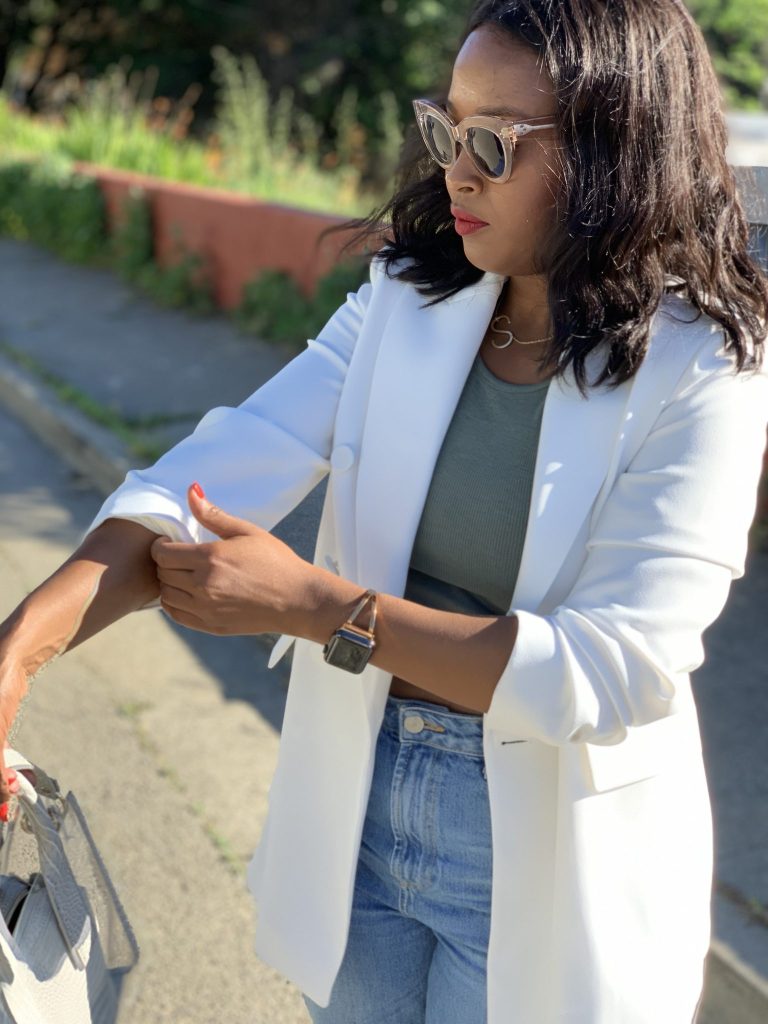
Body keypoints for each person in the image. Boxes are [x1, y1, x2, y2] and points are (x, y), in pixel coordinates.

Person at [1, 0, 767, 1020]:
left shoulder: (707, 365)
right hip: (363, 801)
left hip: (543, 849)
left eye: (495, 141)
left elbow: (611, 667)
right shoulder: (410, 303)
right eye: (448, 128)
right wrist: (15, 660)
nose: (458, 169)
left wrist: (318, 607)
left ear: (613, 147)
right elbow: (208, 480)